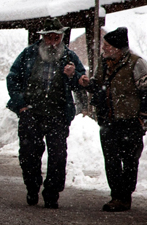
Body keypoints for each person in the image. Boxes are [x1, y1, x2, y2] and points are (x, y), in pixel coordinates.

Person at [5, 18, 86, 208]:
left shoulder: (69, 57)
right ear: (43, 37)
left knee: (58, 156)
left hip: (58, 114)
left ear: (62, 38)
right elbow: (13, 79)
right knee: (29, 154)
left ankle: (52, 194)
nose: (52, 42)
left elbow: (81, 83)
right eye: (49, 38)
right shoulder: (29, 54)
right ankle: (32, 187)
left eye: (56, 38)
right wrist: (21, 105)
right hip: (31, 113)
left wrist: (73, 75)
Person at [79, 27, 147, 212]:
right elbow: (97, 86)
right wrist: (87, 84)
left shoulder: (137, 64)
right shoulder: (104, 63)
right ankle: (116, 196)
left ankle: (124, 197)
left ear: (118, 48)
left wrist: (142, 119)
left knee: (130, 161)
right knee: (111, 160)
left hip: (130, 122)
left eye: (107, 45)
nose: (103, 48)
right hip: (108, 121)